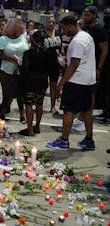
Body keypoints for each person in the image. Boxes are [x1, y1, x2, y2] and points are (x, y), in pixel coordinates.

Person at [47, 15, 96, 150]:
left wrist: (61, 83)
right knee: (87, 111)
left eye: (63, 28)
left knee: (68, 111)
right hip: (89, 81)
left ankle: (64, 140)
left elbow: (75, 64)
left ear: (70, 25)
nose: (63, 32)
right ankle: (89, 140)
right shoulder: (86, 36)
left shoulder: (77, 41)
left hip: (76, 81)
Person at [0, 19, 29, 121]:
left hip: (22, 70)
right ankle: (3, 113)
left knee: (21, 94)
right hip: (7, 70)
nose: (21, 32)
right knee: (8, 93)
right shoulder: (3, 39)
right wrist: (13, 59)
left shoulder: (23, 38)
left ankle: (22, 115)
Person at [19, 30, 50, 136]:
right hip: (43, 81)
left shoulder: (28, 53)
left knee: (28, 105)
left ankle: (30, 130)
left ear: (32, 40)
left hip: (30, 82)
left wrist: (20, 65)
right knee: (39, 103)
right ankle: (37, 126)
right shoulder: (47, 52)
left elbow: (25, 69)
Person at [44, 16, 63, 114]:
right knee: (42, 86)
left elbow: (60, 48)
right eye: (49, 22)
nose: (51, 24)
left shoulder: (59, 34)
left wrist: (62, 58)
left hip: (55, 64)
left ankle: (52, 106)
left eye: (53, 22)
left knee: (53, 85)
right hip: (43, 63)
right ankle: (38, 105)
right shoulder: (41, 34)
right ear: (46, 22)